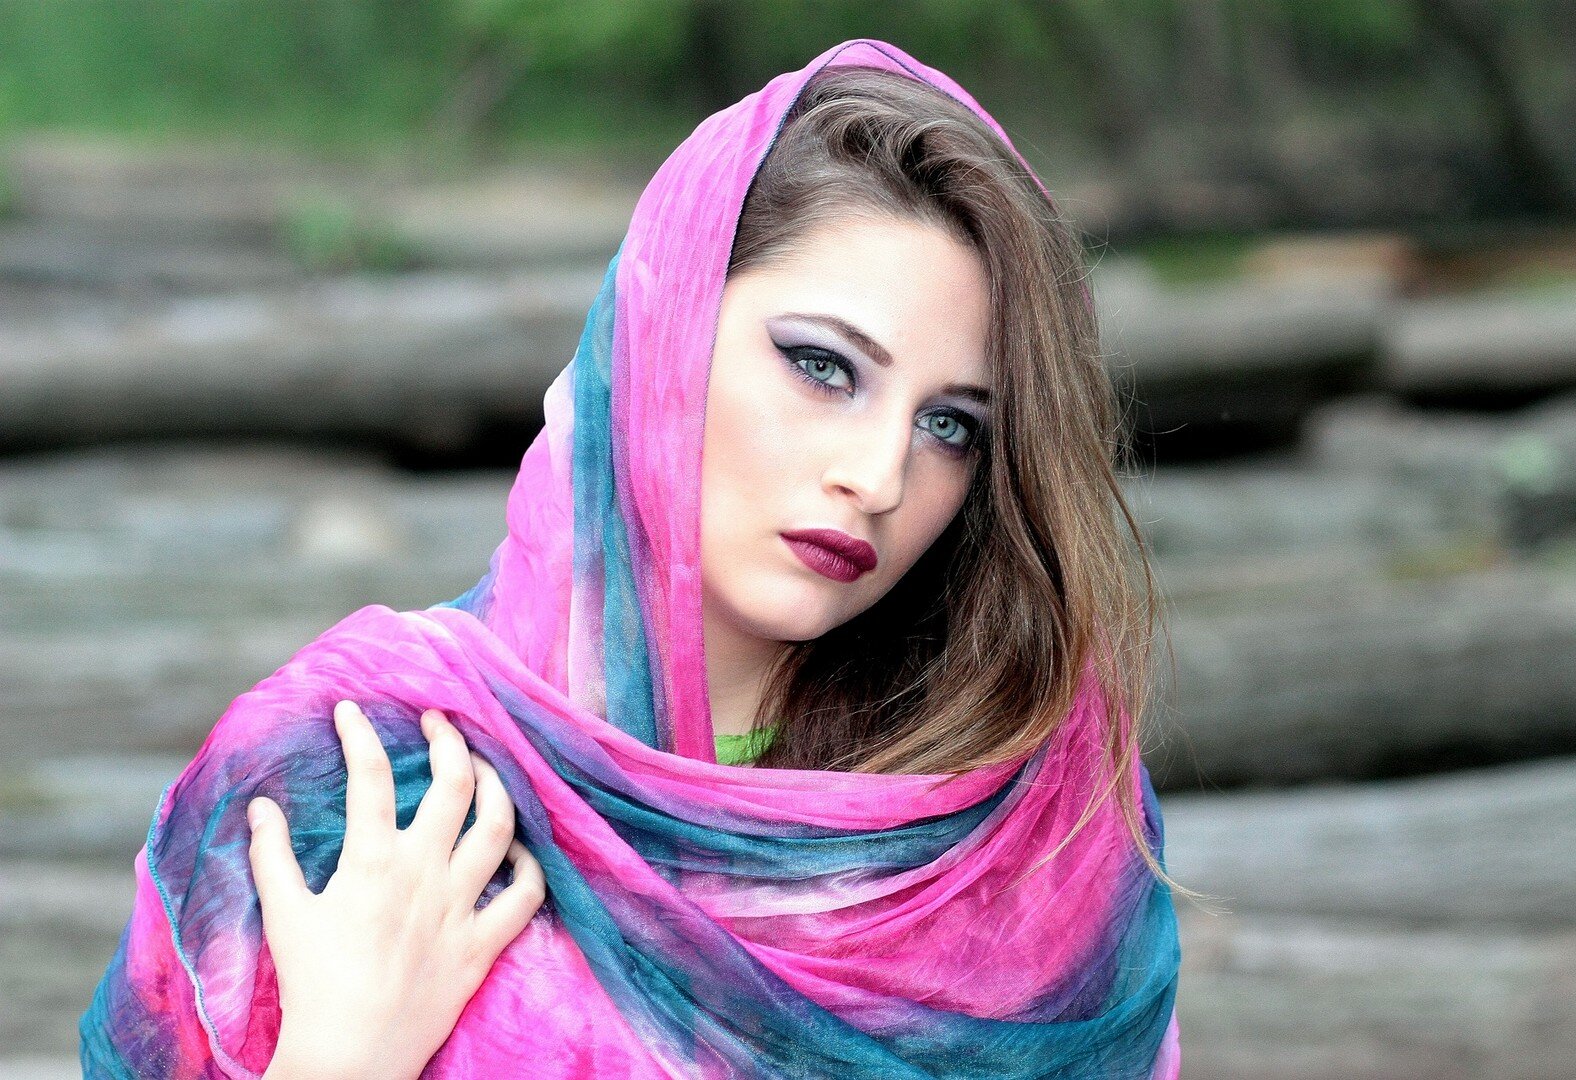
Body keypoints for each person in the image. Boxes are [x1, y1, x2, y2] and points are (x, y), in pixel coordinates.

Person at [81, 39, 1183, 1078]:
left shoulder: (1033, 820)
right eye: (823, 367)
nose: (880, 476)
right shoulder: (355, 782)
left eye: (951, 426)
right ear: (664, 330)